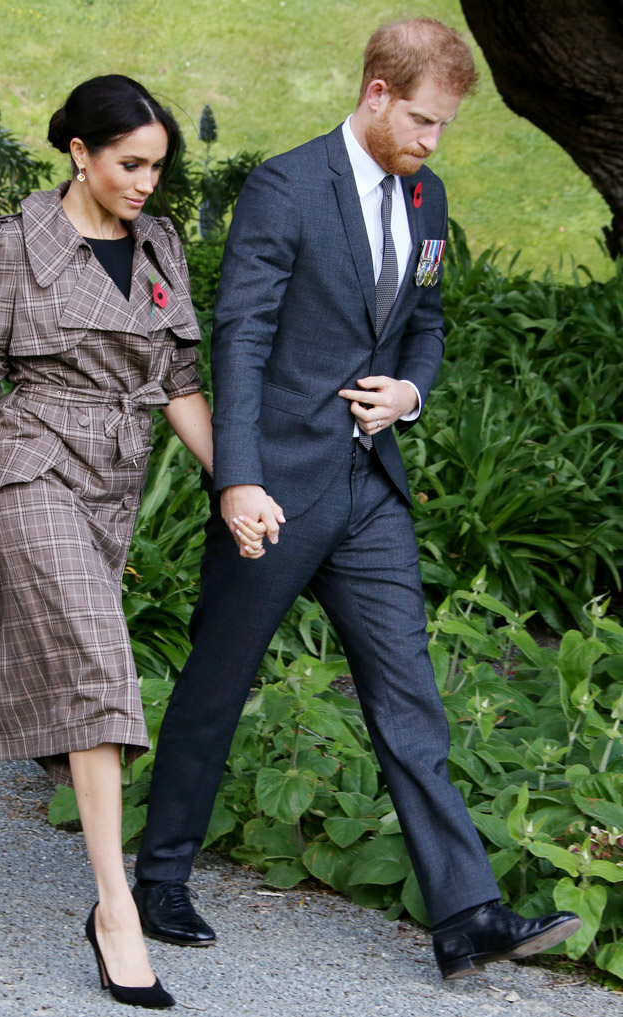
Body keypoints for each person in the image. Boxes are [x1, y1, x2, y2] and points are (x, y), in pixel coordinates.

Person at [133, 20, 581, 980]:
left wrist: (411, 393)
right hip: (279, 487)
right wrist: (237, 476)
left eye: (445, 127)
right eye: (422, 119)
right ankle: (158, 875)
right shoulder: (289, 187)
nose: (432, 140)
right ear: (377, 90)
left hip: (372, 490)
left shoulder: (428, 195)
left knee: (411, 699)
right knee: (219, 681)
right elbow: (241, 337)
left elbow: (428, 319)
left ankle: (466, 915)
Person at [0, 74, 222, 1011]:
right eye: (130, 163)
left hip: (112, 480)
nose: (147, 181)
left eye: (158, 166)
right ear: (80, 152)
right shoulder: (15, 242)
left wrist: (235, 481)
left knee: (14, 679)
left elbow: (179, 377)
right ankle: (116, 912)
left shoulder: (159, 244)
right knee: (100, 666)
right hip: (31, 468)